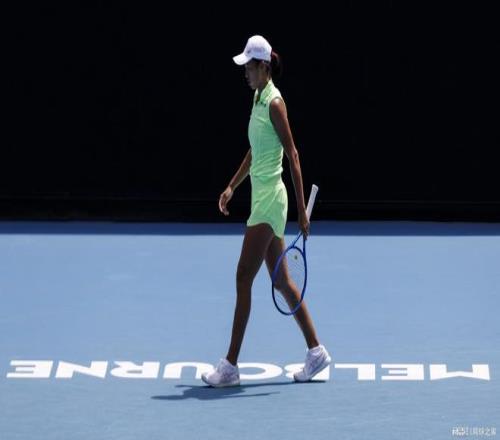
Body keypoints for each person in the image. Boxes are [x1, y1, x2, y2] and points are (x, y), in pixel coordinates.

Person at [202, 35, 331, 387]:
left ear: (263, 67)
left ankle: (229, 366)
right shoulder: (257, 97)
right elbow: (254, 151)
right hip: (262, 199)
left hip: (271, 201)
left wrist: (302, 211)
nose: (245, 72)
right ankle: (316, 352)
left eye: (248, 67)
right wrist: (232, 185)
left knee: (243, 276)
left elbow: (293, 155)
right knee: (282, 281)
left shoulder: (274, 102)